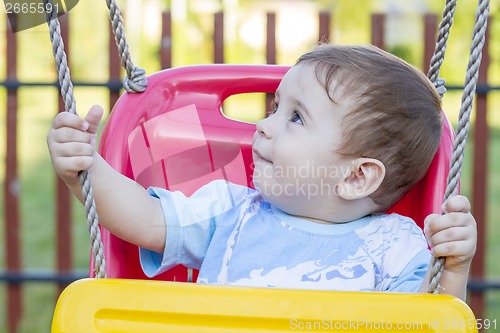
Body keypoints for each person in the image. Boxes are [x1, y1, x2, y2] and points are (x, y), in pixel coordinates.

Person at [47, 44, 476, 301]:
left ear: (357, 177)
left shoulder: (395, 247)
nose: (264, 126)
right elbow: (145, 217)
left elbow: (426, 320)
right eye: (275, 108)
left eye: (295, 118)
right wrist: (85, 170)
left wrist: (453, 271)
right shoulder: (231, 213)